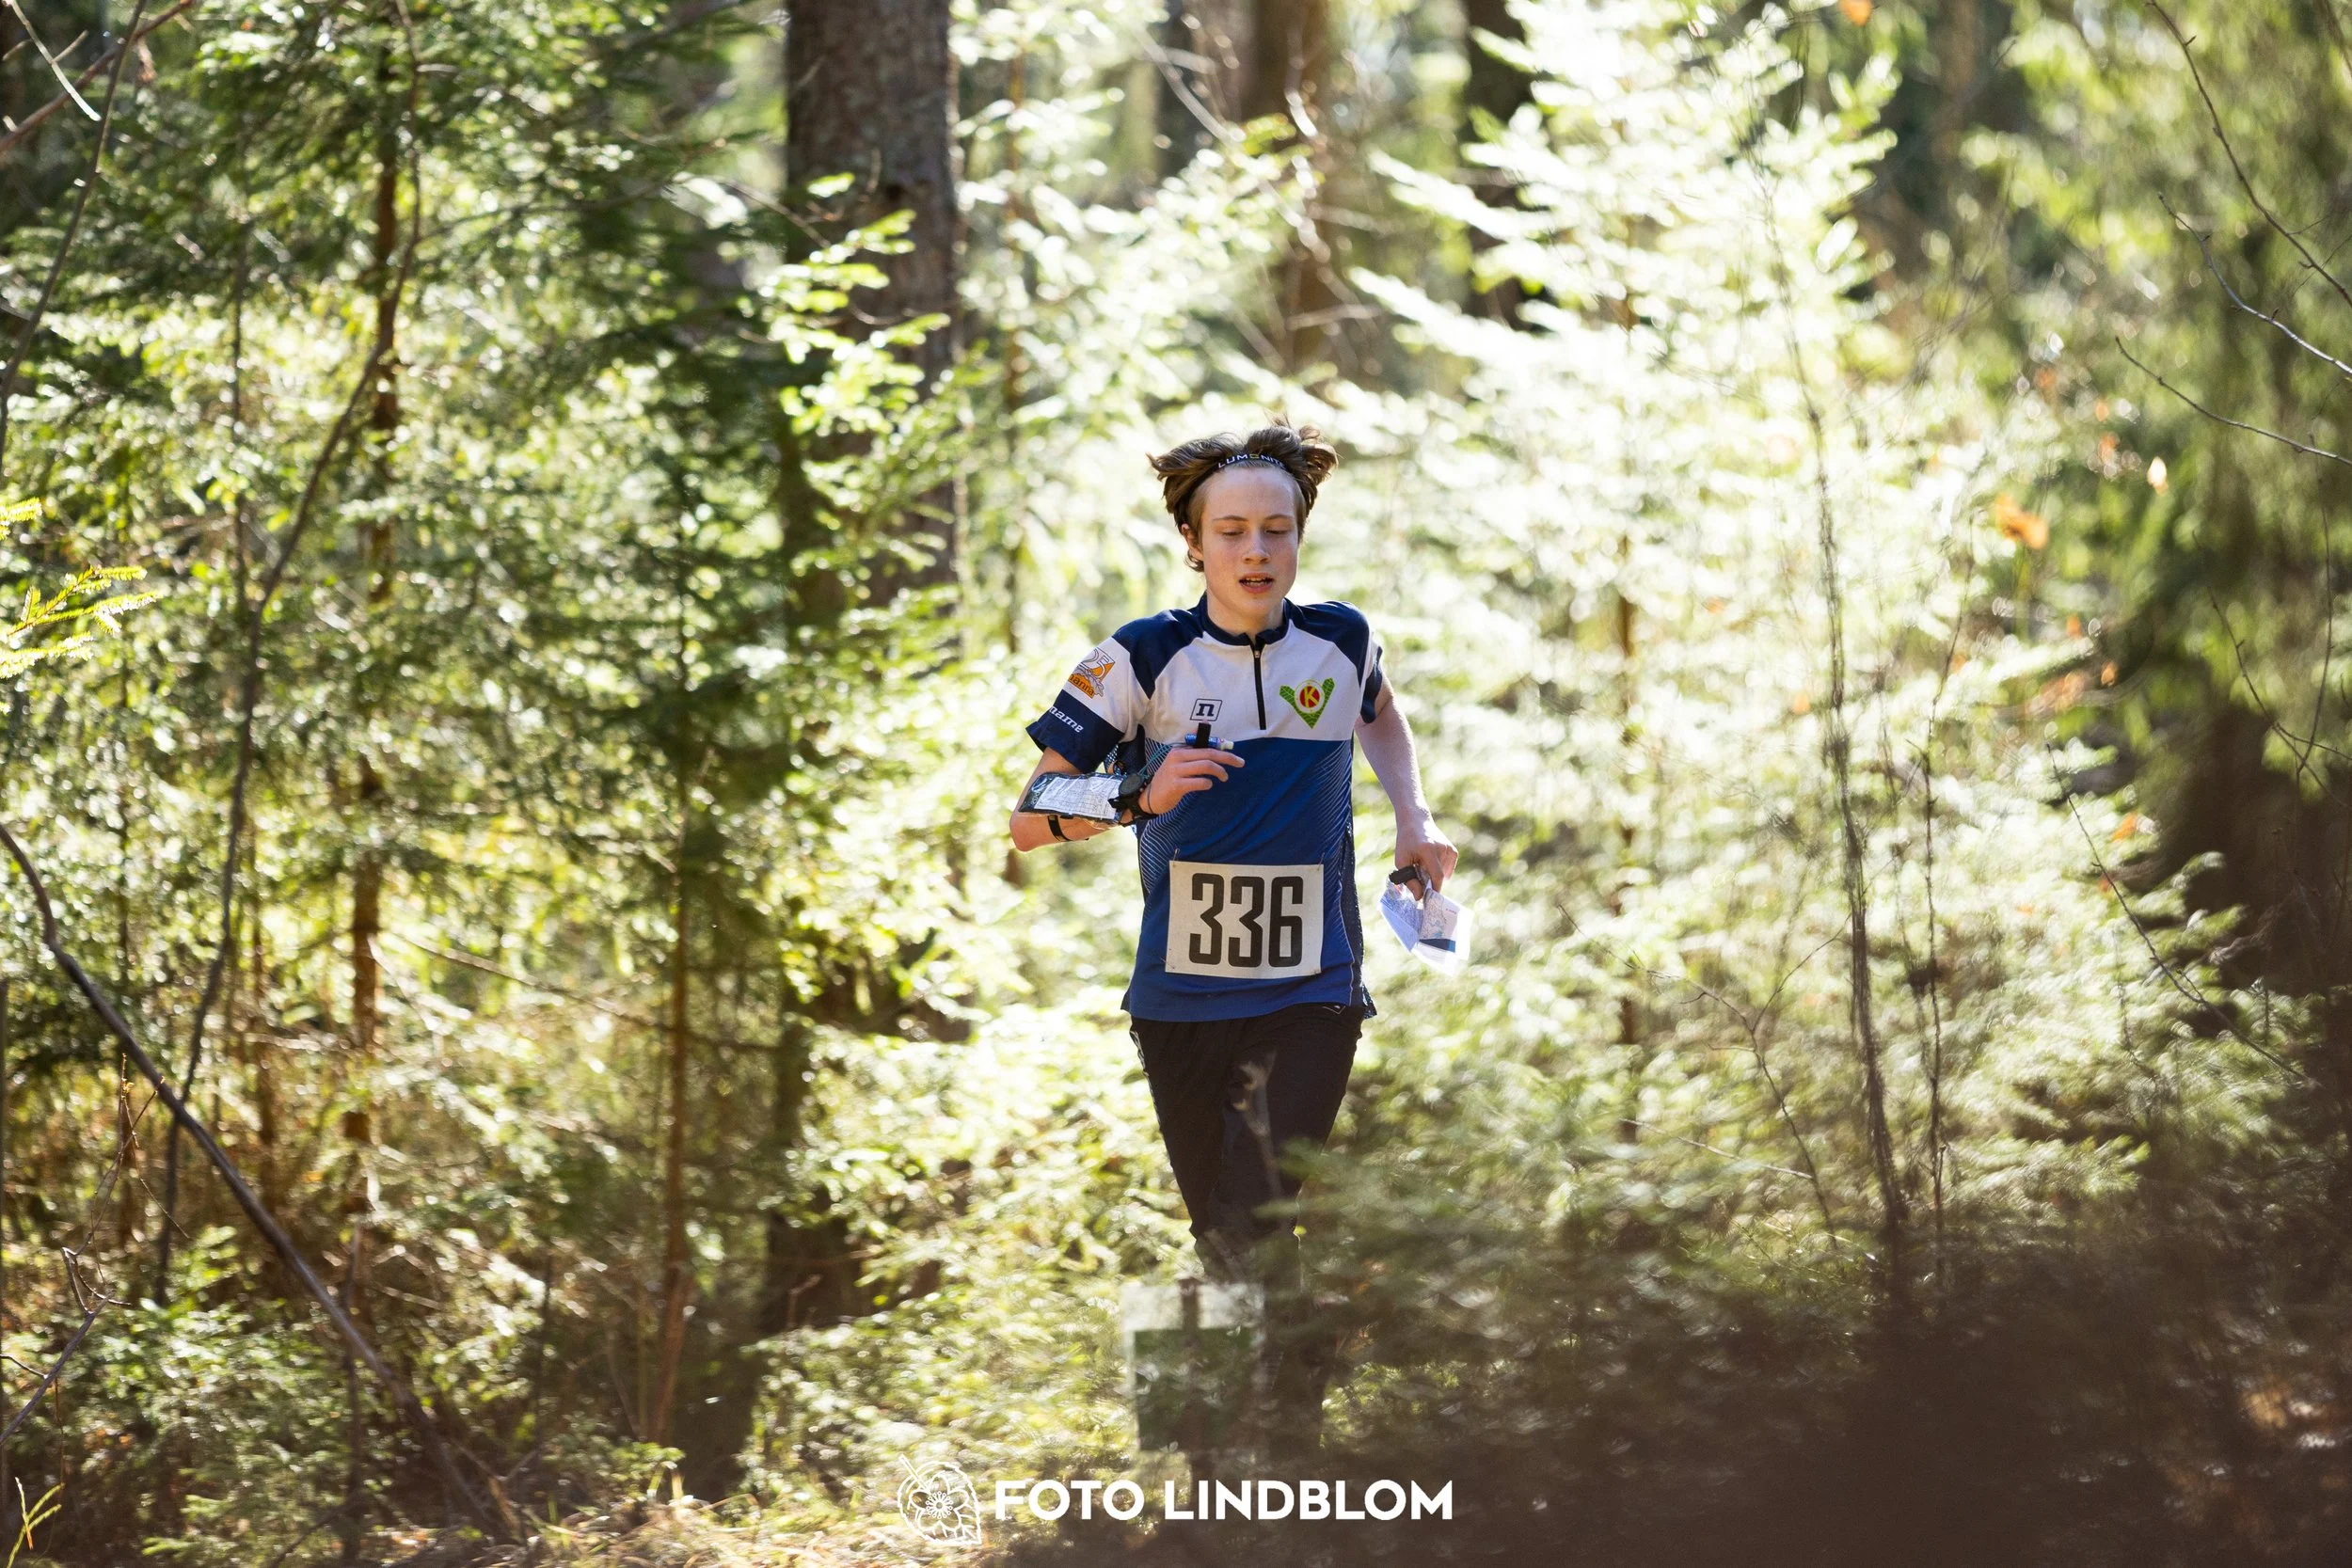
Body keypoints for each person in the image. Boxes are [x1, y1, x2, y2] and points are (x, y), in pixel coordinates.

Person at [1009, 420, 1457, 1455]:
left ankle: (1212, 1457)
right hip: (1177, 999)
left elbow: (1378, 713)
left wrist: (1413, 816)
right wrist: (1137, 788)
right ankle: (1252, 1453)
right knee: (1225, 1225)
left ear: (1299, 537)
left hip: (1313, 984)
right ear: (1193, 541)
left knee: (1252, 1207)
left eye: (1277, 530)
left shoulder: (1339, 638)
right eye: (1233, 532)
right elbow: (1030, 815)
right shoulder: (1144, 656)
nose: (1257, 551)